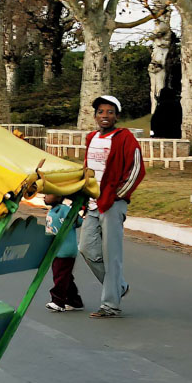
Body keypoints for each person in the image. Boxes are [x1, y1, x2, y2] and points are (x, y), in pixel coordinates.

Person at [79, 94, 145, 319]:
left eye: (110, 112)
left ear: (117, 115)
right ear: (95, 115)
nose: (105, 116)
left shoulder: (125, 138)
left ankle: (110, 305)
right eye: (100, 112)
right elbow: (88, 169)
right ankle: (119, 287)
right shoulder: (92, 138)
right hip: (92, 203)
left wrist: (119, 195)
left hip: (112, 203)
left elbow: (137, 169)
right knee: (86, 248)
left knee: (112, 255)